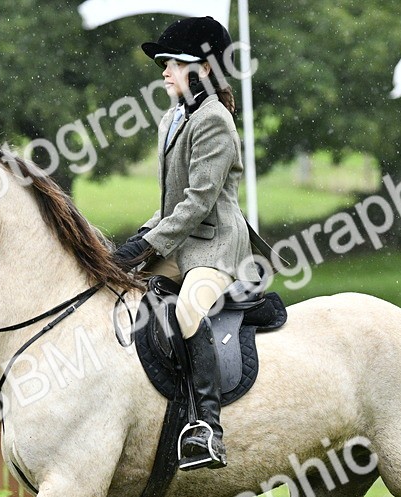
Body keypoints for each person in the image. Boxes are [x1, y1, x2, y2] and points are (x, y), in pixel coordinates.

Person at [112, 16, 272, 471]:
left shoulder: (215, 122)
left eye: (172, 63)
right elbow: (169, 204)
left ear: (203, 69)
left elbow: (198, 203)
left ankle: (207, 427)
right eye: (163, 63)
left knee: (188, 312)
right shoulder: (171, 118)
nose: (163, 72)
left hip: (215, 248)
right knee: (122, 292)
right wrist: (135, 243)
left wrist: (148, 247)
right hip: (180, 244)